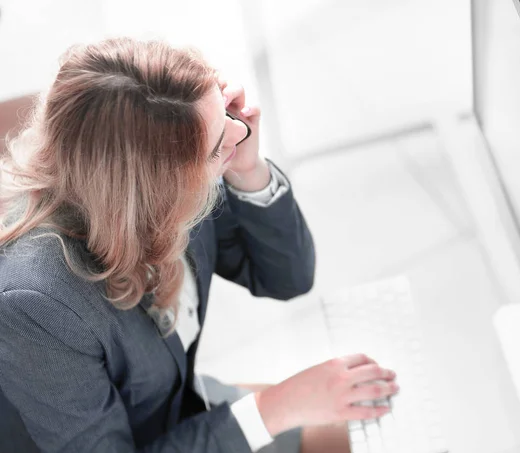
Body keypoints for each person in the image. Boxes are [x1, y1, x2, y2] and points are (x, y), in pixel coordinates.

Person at [0, 37, 398, 453]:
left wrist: (248, 170)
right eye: (218, 146)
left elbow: (287, 278)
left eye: (225, 113)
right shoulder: (32, 299)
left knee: (365, 427)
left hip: (179, 410)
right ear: (156, 191)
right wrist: (275, 408)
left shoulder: (180, 161)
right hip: (138, 439)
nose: (239, 133)